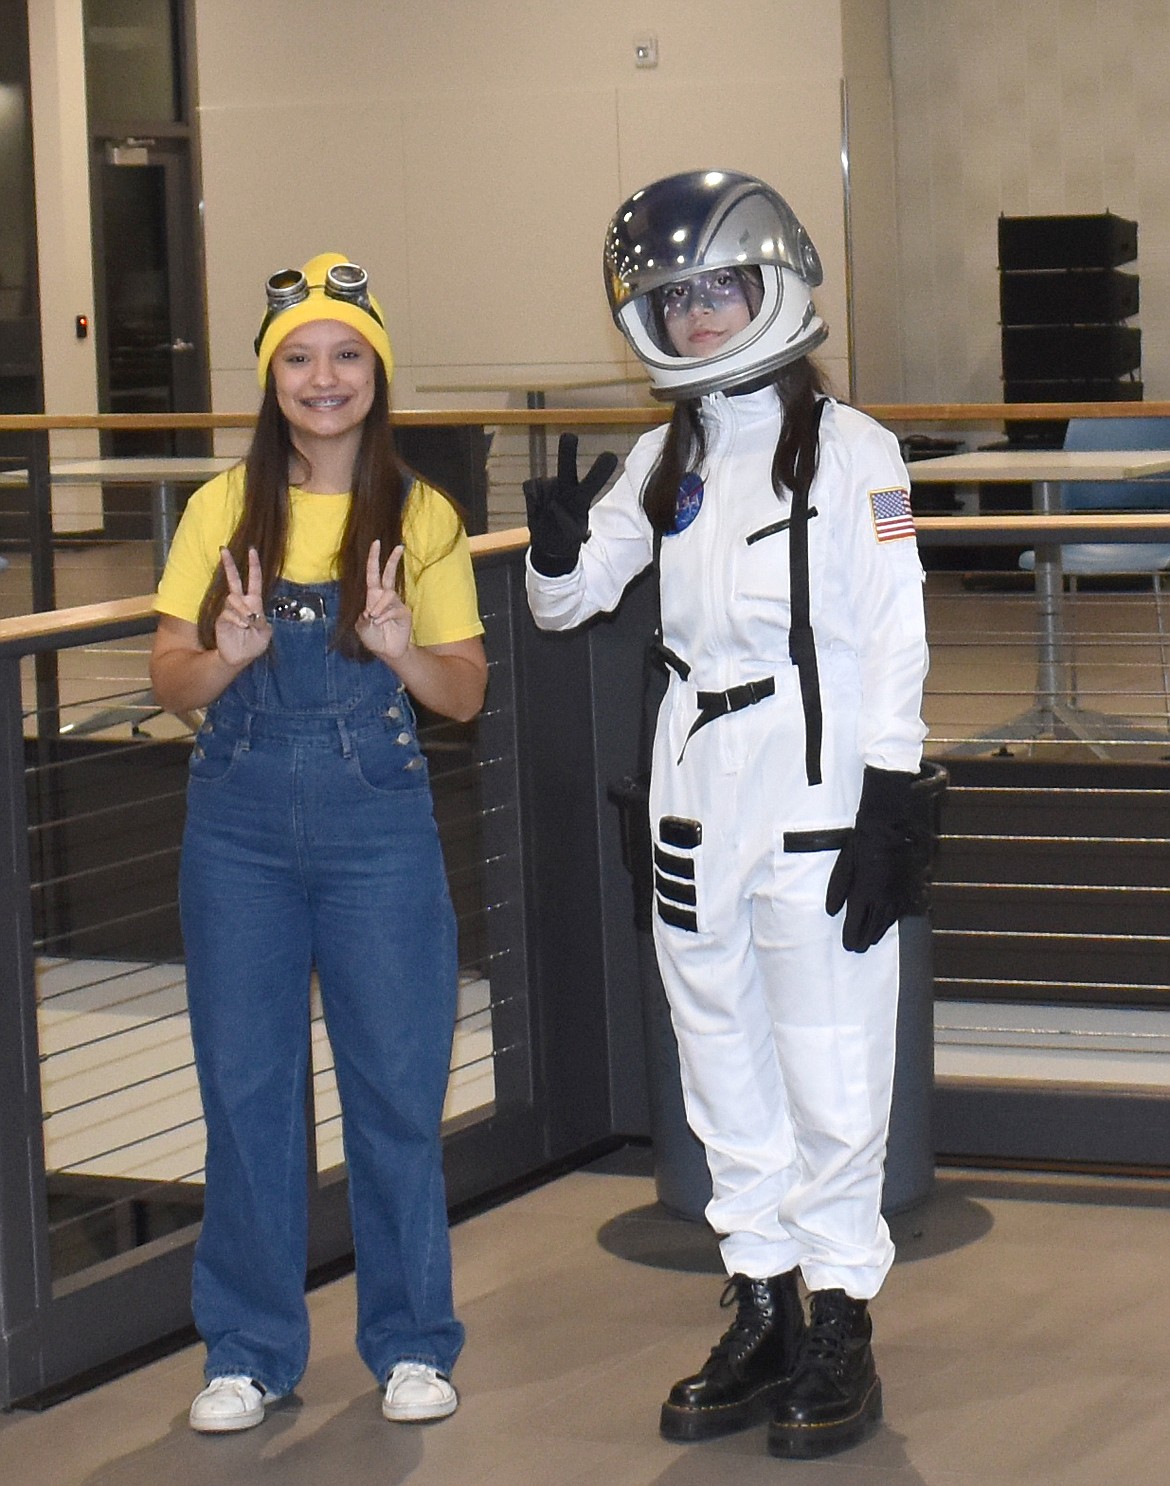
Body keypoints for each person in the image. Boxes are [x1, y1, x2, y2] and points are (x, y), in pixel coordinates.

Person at [525, 171, 928, 1460]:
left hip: (816, 787)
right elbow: (572, 600)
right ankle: (759, 1296)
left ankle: (840, 1317)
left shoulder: (858, 451)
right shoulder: (666, 454)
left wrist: (894, 796)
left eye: (720, 290)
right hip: (695, 784)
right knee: (718, 1051)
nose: (699, 318)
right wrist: (546, 549)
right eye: (675, 298)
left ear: (780, 282)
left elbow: (896, 637)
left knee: (831, 1059)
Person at [150, 252, 487, 1434]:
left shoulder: (422, 515)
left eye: (346, 354)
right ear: (269, 379)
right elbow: (169, 672)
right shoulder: (216, 512)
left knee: (396, 1089)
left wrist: (399, 645)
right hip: (234, 830)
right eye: (298, 358)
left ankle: (410, 1341)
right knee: (246, 1092)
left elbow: (463, 695)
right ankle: (246, 1349)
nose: (323, 377)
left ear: (378, 371)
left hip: (375, 830)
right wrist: (226, 656)